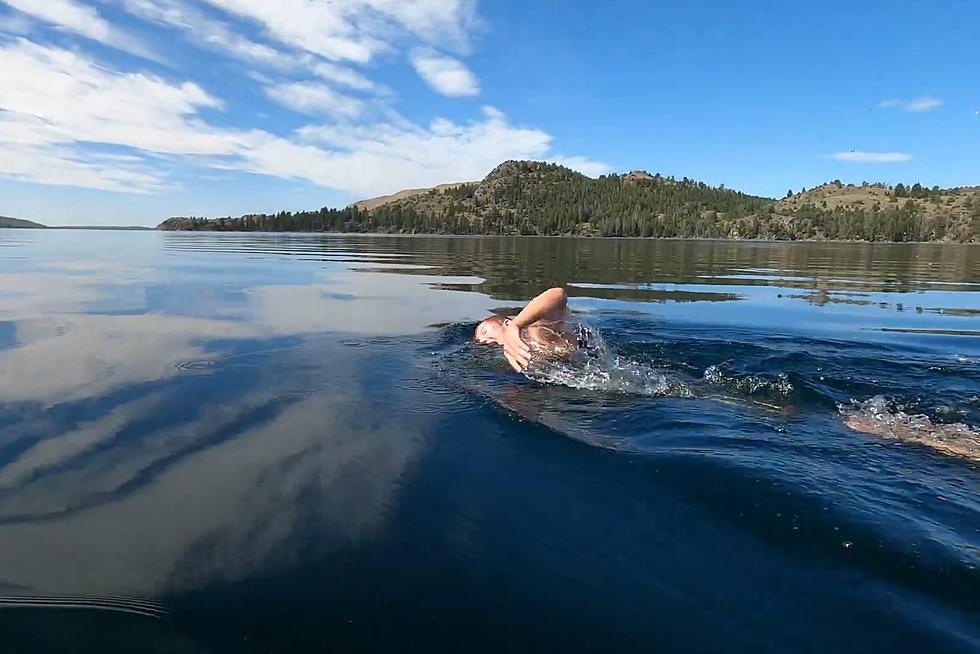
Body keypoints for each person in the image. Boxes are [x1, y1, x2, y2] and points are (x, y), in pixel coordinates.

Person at [474, 287, 577, 372]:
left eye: (485, 331)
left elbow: (558, 294)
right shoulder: (506, 359)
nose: (483, 340)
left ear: (507, 323)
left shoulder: (534, 332)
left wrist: (515, 325)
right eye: (480, 341)